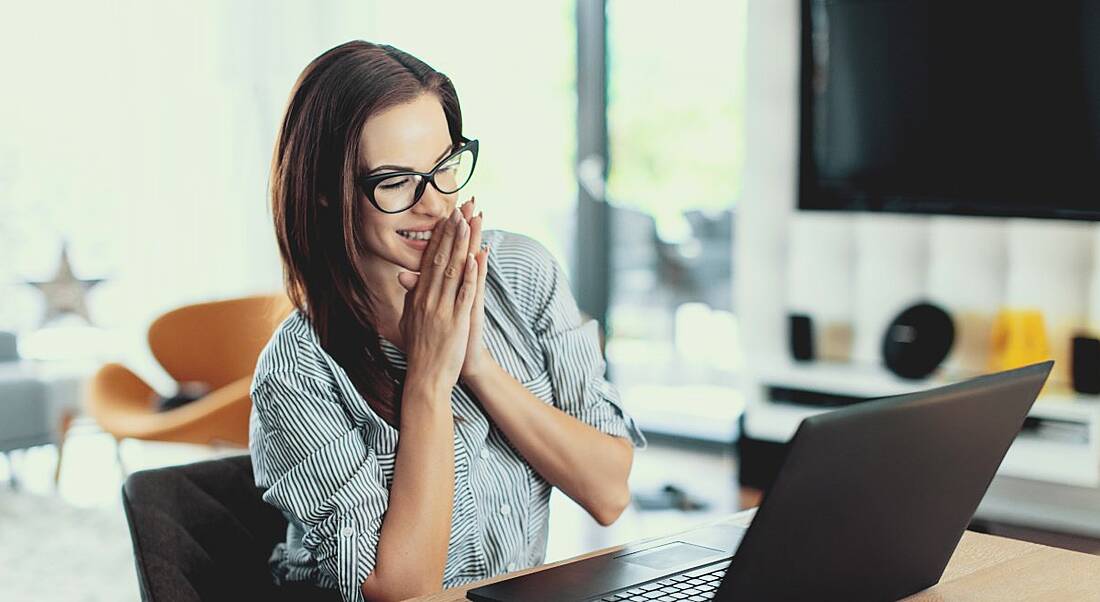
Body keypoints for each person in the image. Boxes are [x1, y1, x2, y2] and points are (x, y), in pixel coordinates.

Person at [249, 40, 647, 602]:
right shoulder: (296, 373)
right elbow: (405, 594)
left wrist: (477, 365)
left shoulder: (523, 274)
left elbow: (609, 492)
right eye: (394, 181)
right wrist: (430, 380)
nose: (433, 204)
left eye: (443, 168)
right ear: (321, 193)